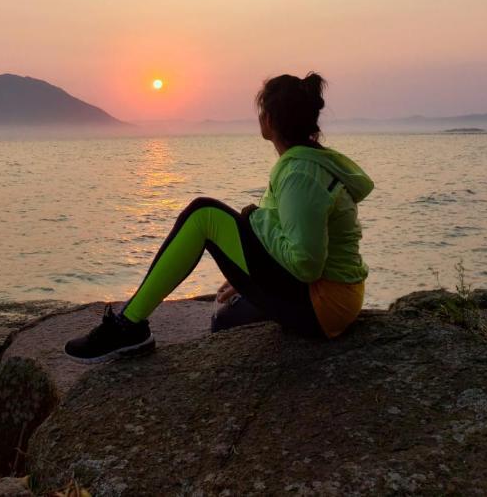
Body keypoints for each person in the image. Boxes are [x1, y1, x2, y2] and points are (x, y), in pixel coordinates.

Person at [64, 72, 374, 363]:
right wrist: (248, 275)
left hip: (322, 306)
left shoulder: (300, 175)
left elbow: (307, 264)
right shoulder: (308, 164)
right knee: (225, 320)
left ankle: (128, 326)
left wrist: (255, 219)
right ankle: (132, 323)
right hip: (329, 299)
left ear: (267, 120)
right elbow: (294, 243)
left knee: (204, 214)